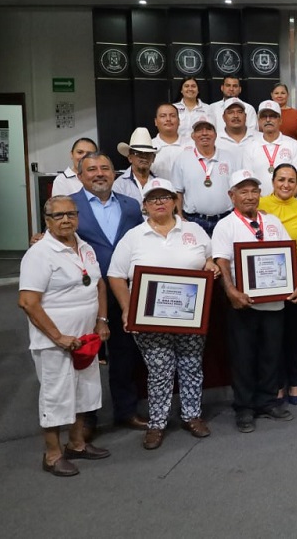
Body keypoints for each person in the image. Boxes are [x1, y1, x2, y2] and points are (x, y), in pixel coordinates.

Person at [107, 178, 219, 450]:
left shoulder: (194, 230)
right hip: (149, 318)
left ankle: (192, 415)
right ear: (144, 205)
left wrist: (210, 265)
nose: (160, 202)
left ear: (174, 201)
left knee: (192, 365)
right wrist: (126, 308)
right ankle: (157, 423)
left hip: (189, 316)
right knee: (159, 370)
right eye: (153, 199)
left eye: (165, 197)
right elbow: (116, 275)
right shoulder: (133, 236)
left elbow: (209, 259)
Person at [19, 195, 111, 476]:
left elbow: (99, 285)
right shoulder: (39, 253)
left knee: (83, 391)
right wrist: (58, 337)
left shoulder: (85, 248)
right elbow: (27, 302)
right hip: (54, 341)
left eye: (71, 214)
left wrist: (102, 321)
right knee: (56, 395)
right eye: (58, 216)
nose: (66, 220)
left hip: (85, 337)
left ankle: (77, 444)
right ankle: (52, 454)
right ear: (47, 221)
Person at [212, 170, 297, 433]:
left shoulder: (273, 221)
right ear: (232, 196)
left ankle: (267, 402)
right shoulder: (226, 225)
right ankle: (244, 408)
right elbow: (222, 260)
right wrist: (230, 291)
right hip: (243, 302)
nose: (250, 196)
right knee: (243, 356)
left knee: (271, 354)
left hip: (274, 303)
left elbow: (288, 255)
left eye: (254, 190)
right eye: (243, 191)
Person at [69, 153, 147, 434]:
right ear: (80, 176)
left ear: (114, 174)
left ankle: (125, 410)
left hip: (124, 289)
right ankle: (86, 418)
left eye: (105, 168)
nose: (99, 173)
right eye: (92, 169)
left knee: (125, 354)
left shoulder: (130, 206)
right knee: (85, 355)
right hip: (86, 293)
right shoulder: (70, 206)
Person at [259, 164, 297, 406]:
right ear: (272, 181)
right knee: (271, 337)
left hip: (296, 276)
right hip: (266, 278)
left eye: (292, 181)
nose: (286, 185)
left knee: (294, 334)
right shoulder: (259, 205)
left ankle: (294, 382)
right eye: (281, 179)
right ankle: (275, 384)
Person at [172, 119, 240, 237]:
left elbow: (238, 189)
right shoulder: (182, 159)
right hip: (194, 220)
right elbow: (177, 191)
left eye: (208, 129)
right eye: (199, 130)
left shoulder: (229, 157)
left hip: (226, 218)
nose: (204, 133)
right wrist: (179, 216)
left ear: (215, 134)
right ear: (193, 136)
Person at [240, 100, 297, 196]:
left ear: (280, 120)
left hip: (289, 205)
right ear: (259, 121)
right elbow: (247, 180)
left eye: (273, 116)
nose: (268, 120)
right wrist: (262, 203)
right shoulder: (250, 147)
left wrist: (284, 201)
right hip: (261, 206)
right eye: (264, 116)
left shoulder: (293, 144)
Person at [114, 127, 158, 206]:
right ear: (130, 158)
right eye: (138, 153)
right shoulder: (119, 185)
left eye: (148, 154)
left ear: (153, 158)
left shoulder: (159, 183)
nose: (144, 157)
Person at [151, 103, 188, 181]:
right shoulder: (149, 146)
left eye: (172, 116)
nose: (168, 119)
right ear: (156, 122)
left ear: (179, 121)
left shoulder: (192, 145)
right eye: (163, 116)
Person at [173, 77, 211, 141]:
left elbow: (212, 131)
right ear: (181, 90)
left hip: (199, 147)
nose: (190, 89)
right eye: (186, 86)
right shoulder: (173, 108)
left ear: (198, 90)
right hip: (177, 147)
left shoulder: (208, 108)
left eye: (193, 86)